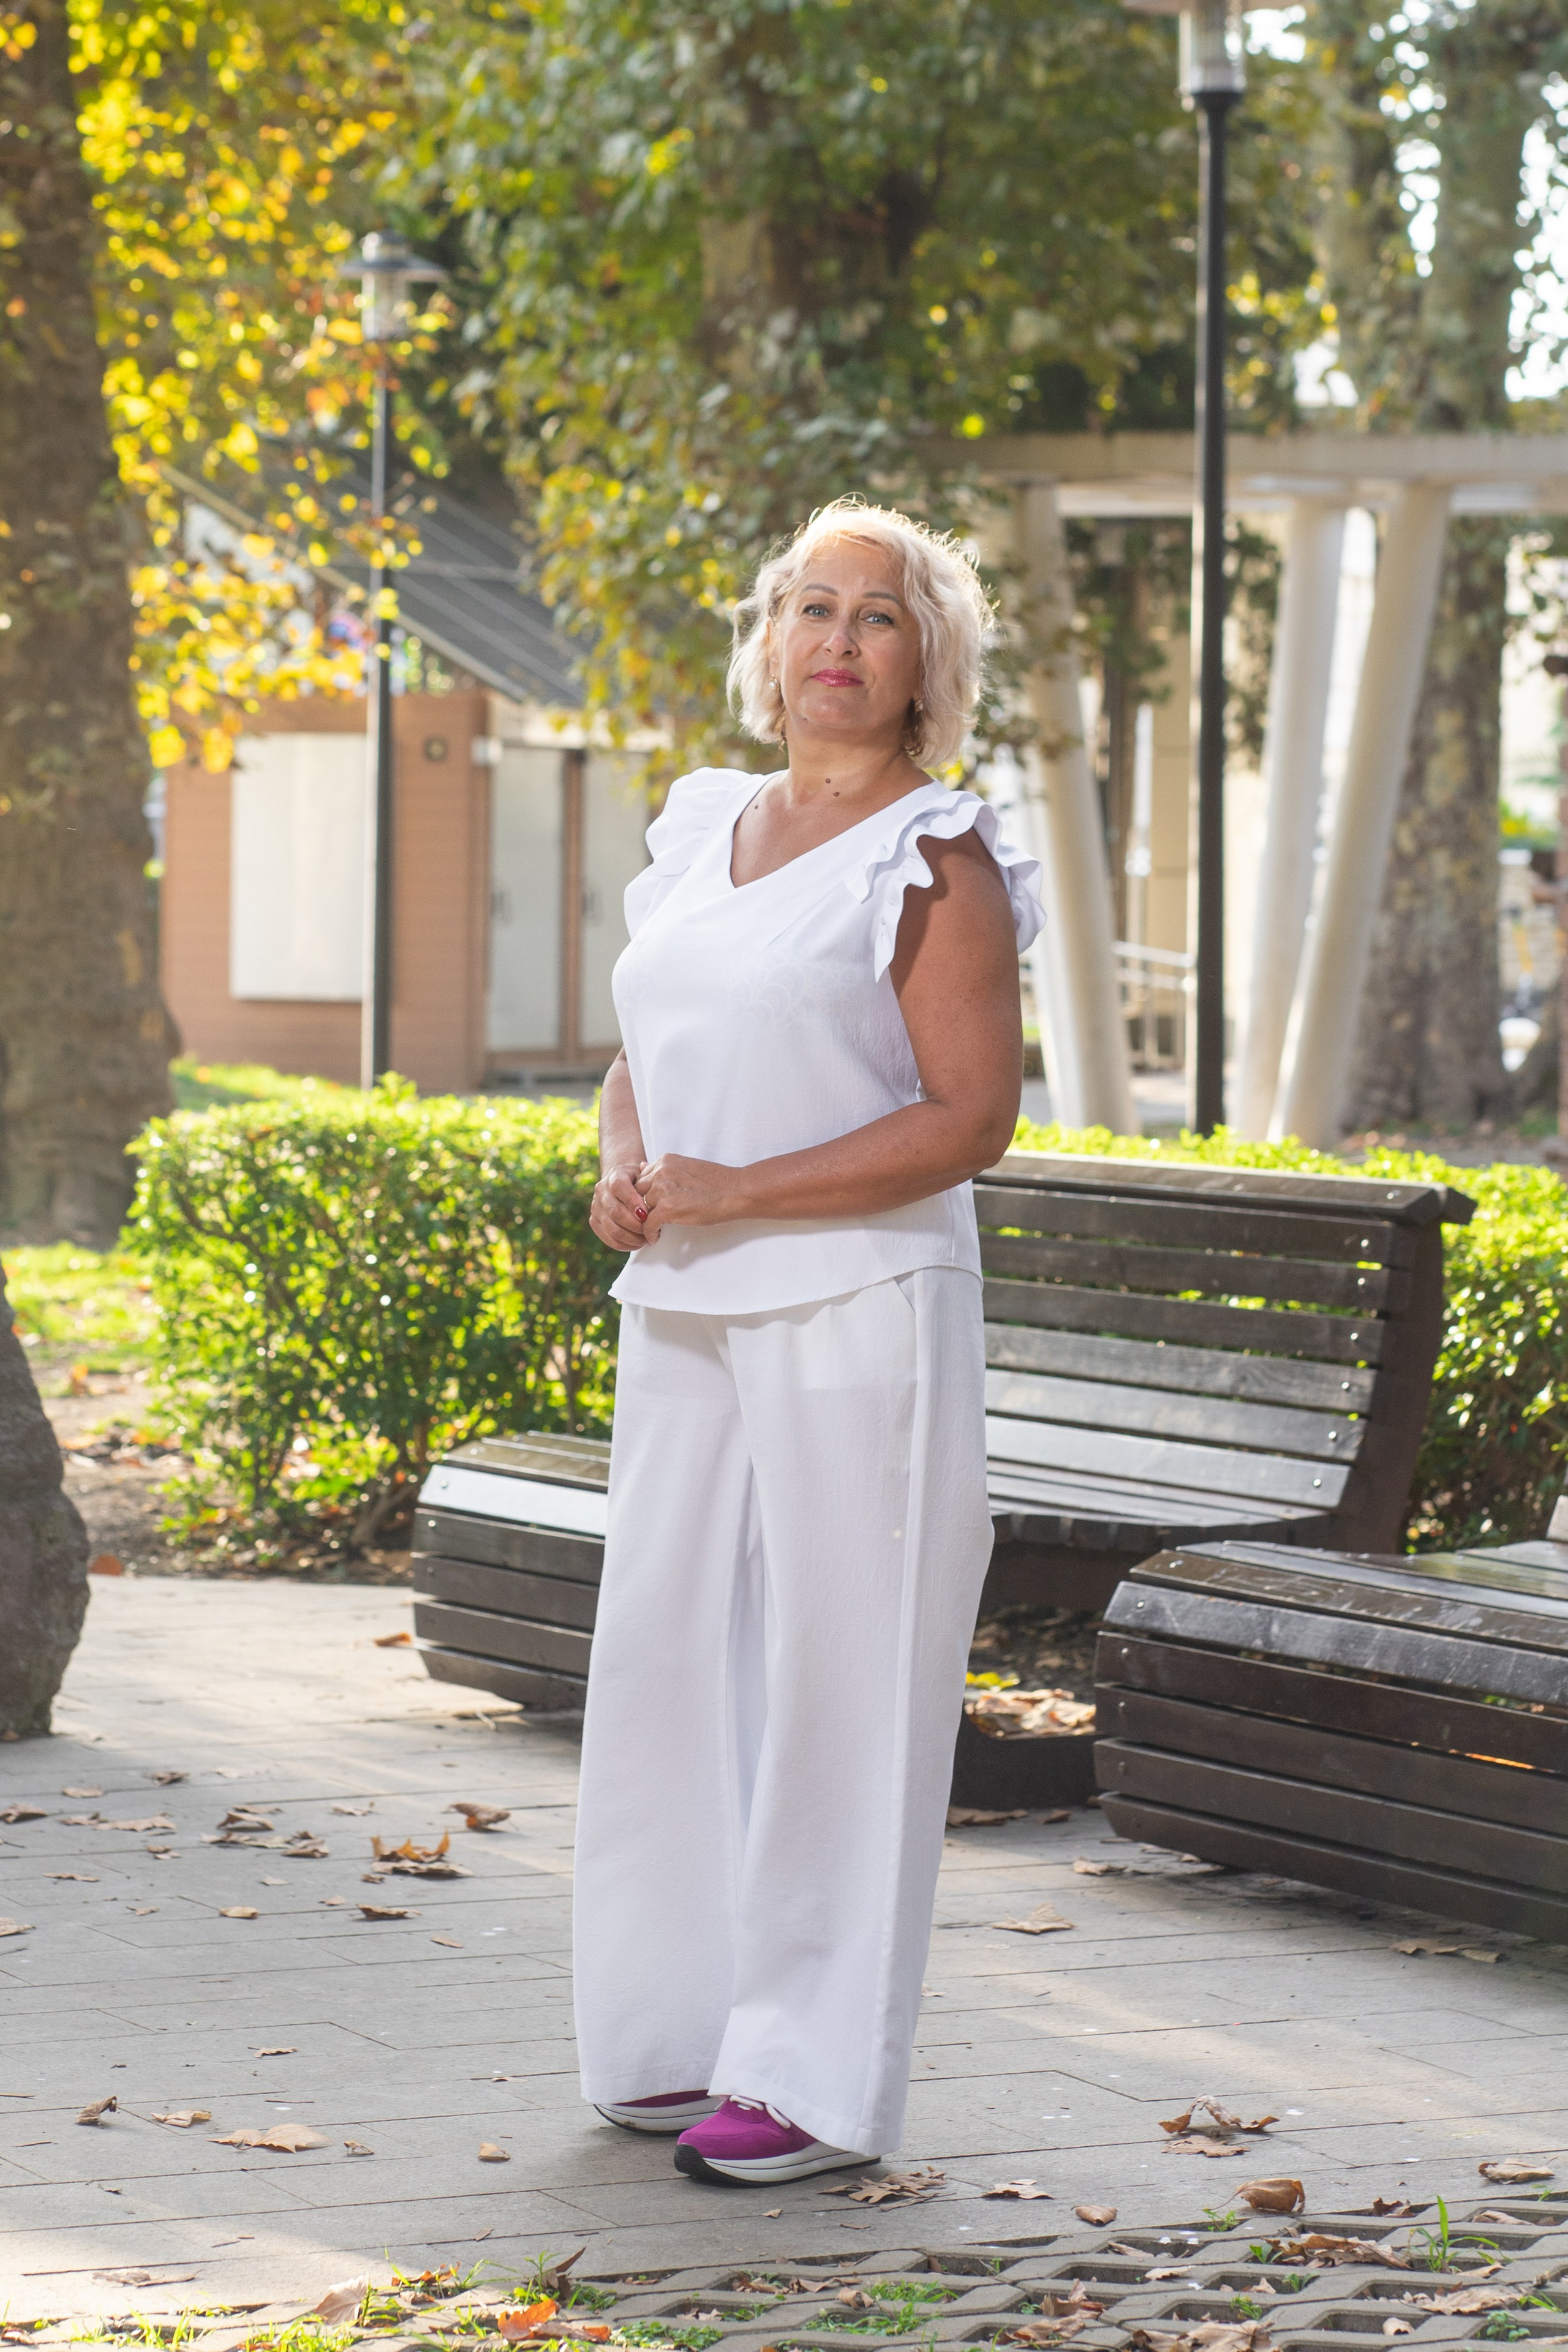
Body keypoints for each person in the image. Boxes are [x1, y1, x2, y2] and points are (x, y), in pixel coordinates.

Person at [574, 496, 1044, 2188]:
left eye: (881, 617)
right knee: (668, 1667)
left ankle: (812, 2082)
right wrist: (628, 1159)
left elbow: (972, 1116)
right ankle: (673, 2032)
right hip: (688, 1307)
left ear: (929, 668)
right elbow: (654, 1035)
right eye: (812, 607)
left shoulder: (939, 854)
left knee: (844, 1693)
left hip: (861, 1314)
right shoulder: (707, 825)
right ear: (768, 645)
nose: (837, 640)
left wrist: (744, 1185)